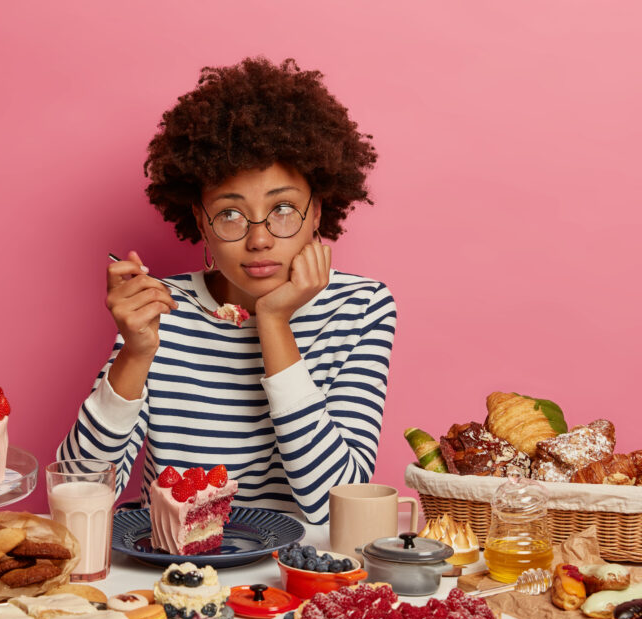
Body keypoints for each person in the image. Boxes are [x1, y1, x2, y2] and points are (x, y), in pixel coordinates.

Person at [57, 57, 396, 523]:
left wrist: (274, 323)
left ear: (317, 211)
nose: (259, 239)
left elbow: (331, 503)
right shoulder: (161, 309)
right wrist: (135, 354)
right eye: (231, 214)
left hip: (298, 580)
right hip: (173, 574)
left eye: (283, 208)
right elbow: (78, 494)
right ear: (201, 221)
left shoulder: (361, 308)